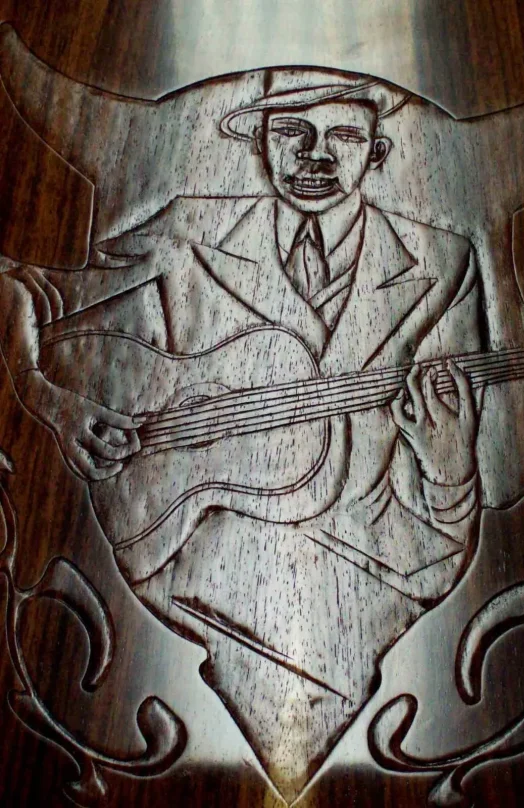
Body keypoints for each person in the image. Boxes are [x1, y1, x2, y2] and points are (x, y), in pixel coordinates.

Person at [0, 68, 483, 797]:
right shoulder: (187, 231)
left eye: (345, 135)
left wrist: (450, 472)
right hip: (181, 554)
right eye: (290, 131)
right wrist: (49, 400)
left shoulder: (445, 263)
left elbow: (451, 521)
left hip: (373, 576)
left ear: (379, 151)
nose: (316, 155)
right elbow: (20, 288)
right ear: (257, 143)